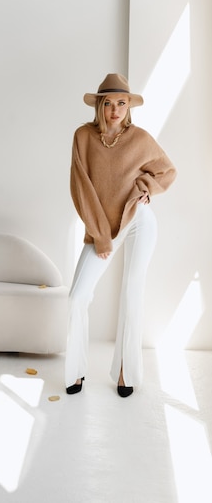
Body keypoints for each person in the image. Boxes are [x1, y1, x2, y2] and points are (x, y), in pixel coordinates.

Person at [65, 73, 176, 397]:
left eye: (122, 103)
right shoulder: (83, 137)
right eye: (109, 103)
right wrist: (100, 236)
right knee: (77, 297)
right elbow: (81, 189)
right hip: (103, 227)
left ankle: (127, 371)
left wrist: (147, 188)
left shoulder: (140, 138)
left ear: (129, 107)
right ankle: (76, 372)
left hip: (138, 220)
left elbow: (168, 171)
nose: (115, 110)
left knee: (132, 292)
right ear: (100, 106)